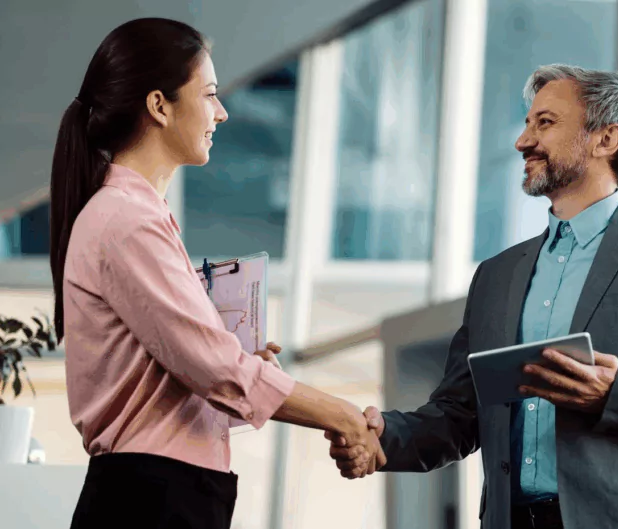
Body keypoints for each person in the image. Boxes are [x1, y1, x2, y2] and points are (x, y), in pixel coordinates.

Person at [328, 64, 618, 529]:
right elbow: (459, 413)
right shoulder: (496, 275)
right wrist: (385, 439)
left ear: (605, 139)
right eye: (528, 123)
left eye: (545, 123)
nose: (523, 141)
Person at [50, 18, 383, 529]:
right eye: (209, 95)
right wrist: (340, 415)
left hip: (158, 492)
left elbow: (199, 370)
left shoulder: (133, 216)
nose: (222, 113)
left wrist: (240, 361)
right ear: (160, 106)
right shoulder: (126, 219)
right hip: (150, 499)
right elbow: (217, 370)